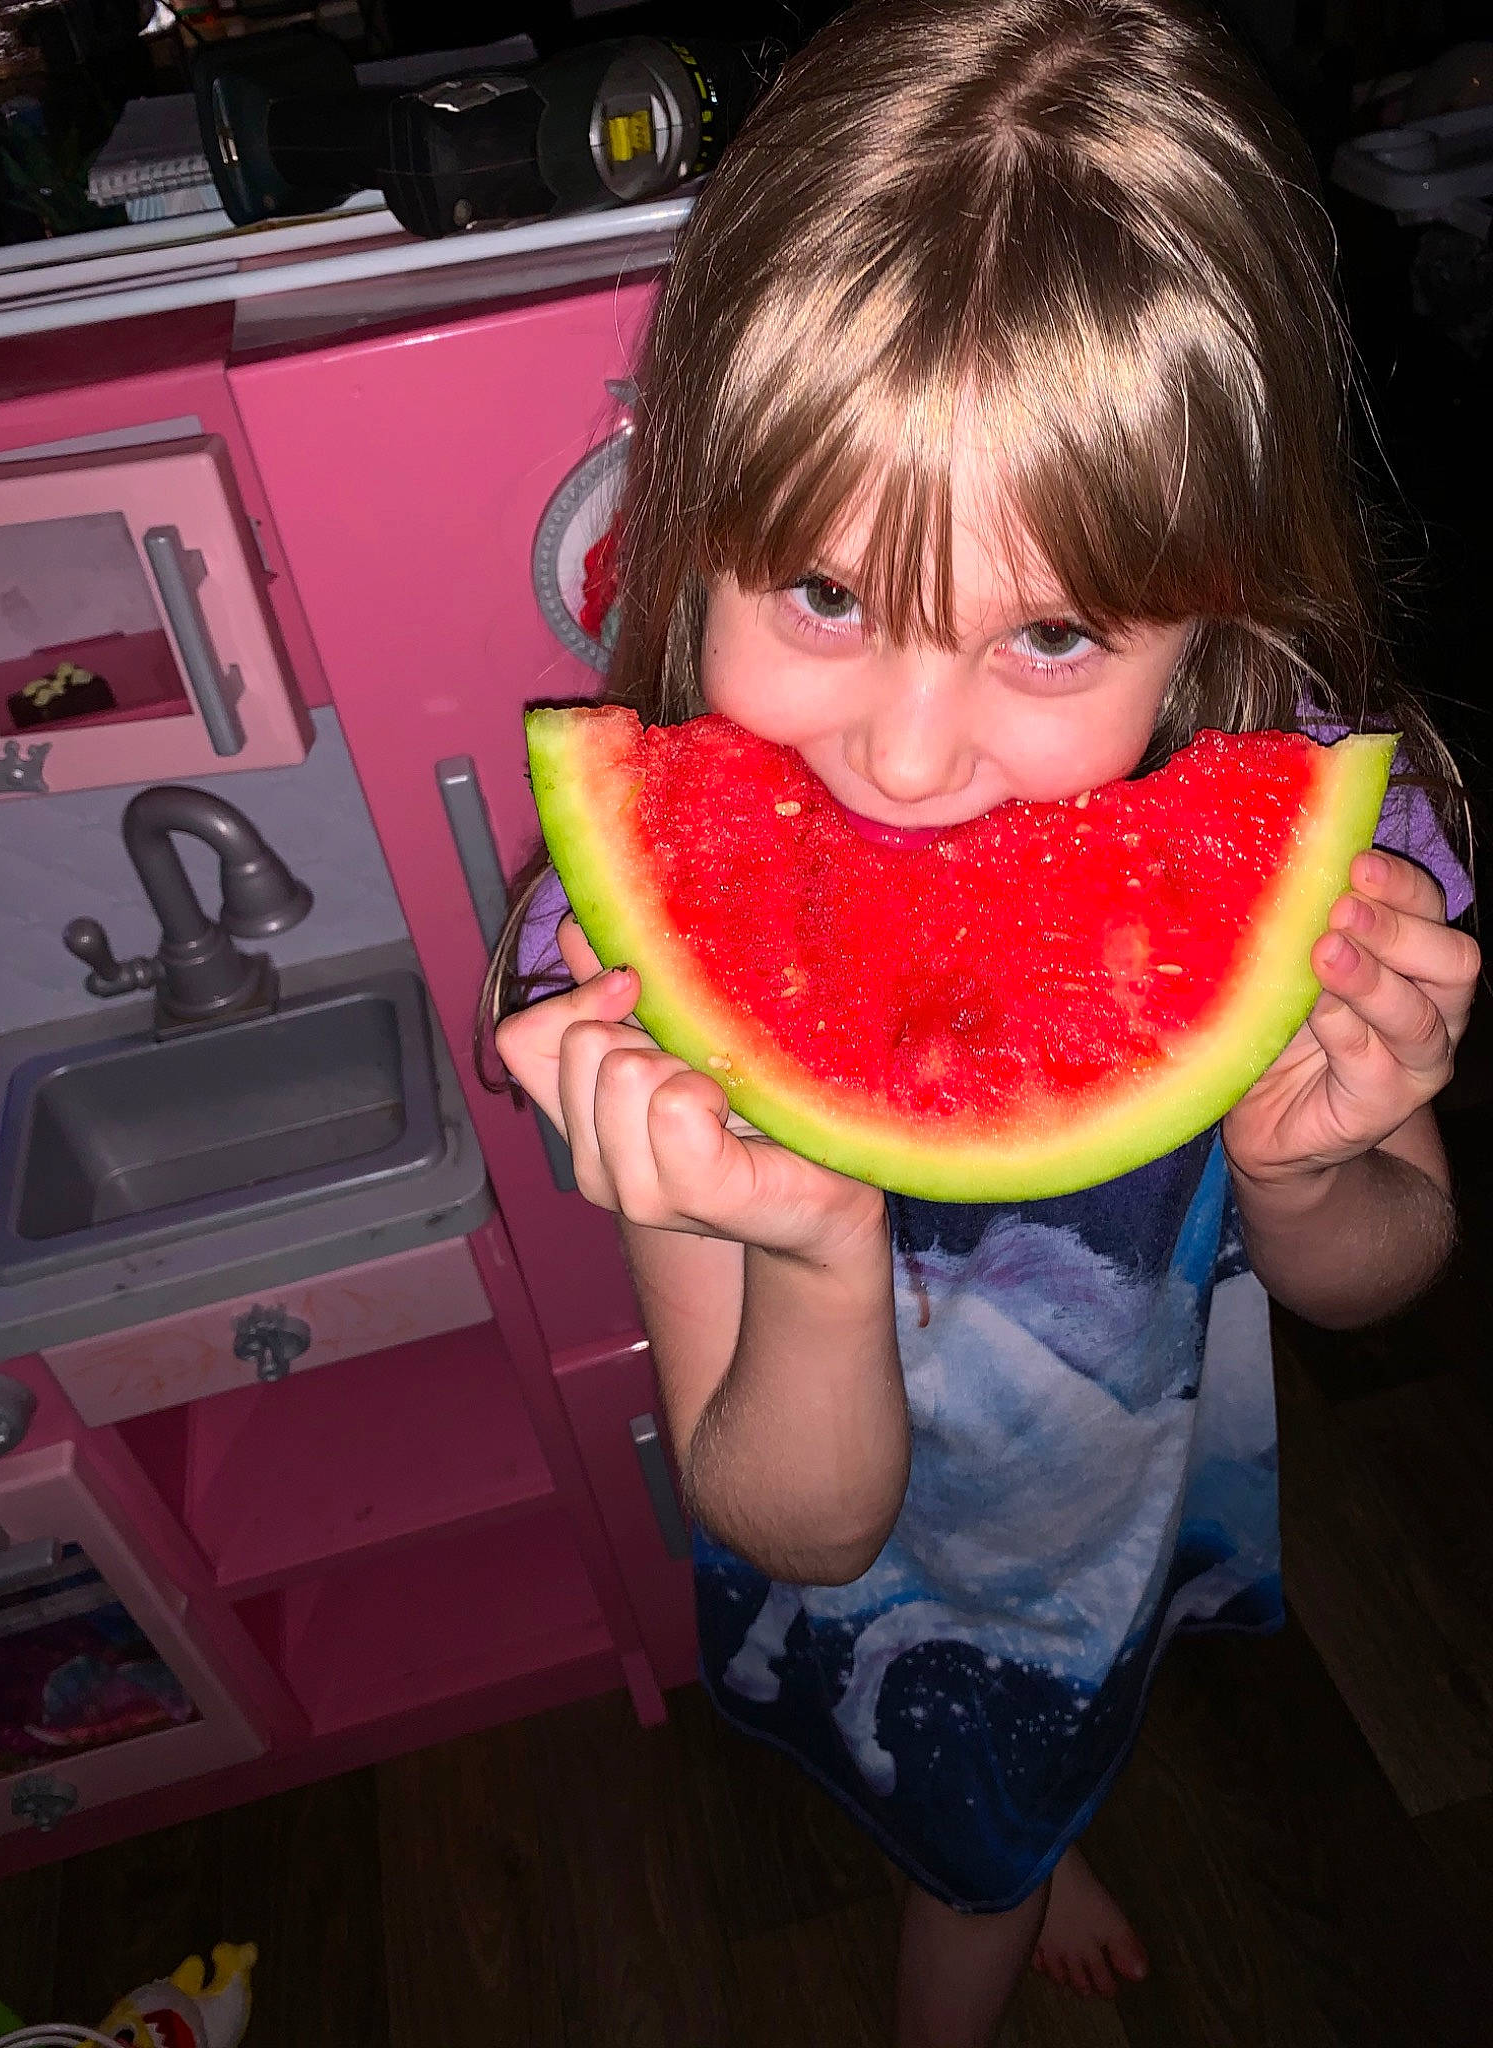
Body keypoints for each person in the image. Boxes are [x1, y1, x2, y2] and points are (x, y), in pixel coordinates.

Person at [484, 2, 1481, 2041]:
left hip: (1119, 1484)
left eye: (1047, 634)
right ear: (691, 515)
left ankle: (1024, 1835)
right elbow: (794, 1513)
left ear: (1228, 605)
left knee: (1031, 1758)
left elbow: (1387, 1275)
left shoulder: (1332, 865)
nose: (913, 756)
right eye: (824, 596)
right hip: (854, 1510)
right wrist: (814, 1242)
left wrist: (1314, 1170)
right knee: (958, 1817)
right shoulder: (622, 962)